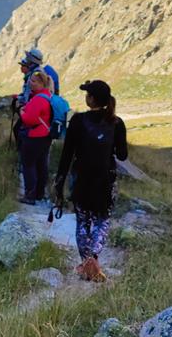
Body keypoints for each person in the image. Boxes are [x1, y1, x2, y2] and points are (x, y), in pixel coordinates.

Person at [54, 79, 127, 282]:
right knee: (102, 219)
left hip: (81, 178)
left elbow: (67, 154)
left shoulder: (77, 121)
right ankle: (93, 259)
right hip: (106, 180)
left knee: (83, 221)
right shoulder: (117, 122)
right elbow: (122, 155)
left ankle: (86, 262)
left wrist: (59, 182)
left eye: (87, 94)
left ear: (91, 99)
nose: (86, 97)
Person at [17, 69, 55, 204]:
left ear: (40, 83)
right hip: (45, 136)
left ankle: (30, 195)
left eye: (33, 81)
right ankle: (39, 194)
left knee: (29, 165)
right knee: (41, 165)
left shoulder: (39, 99)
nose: (30, 83)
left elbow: (29, 120)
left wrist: (21, 112)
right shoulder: (48, 96)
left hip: (34, 136)